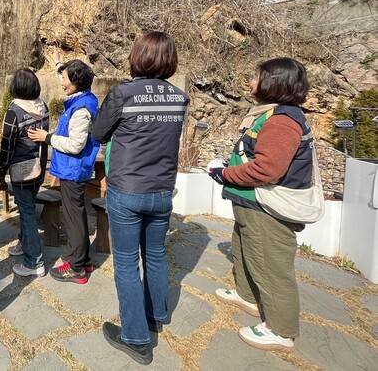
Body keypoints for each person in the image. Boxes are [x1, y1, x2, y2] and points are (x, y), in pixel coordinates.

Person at [91, 31, 188, 365]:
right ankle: (155, 315)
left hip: (127, 191)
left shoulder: (123, 93)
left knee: (126, 263)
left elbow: (98, 132)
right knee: (156, 254)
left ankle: (135, 338)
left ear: (137, 57)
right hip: (162, 191)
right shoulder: (179, 98)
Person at [208, 57, 311, 352]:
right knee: (245, 250)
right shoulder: (269, 114)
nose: (251, 82)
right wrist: (229, 165)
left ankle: (280, 330)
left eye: (257, 77)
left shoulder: (283, 121)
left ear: (274, 83)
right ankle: (247, 295)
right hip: (250, 203)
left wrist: (225, 174)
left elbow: (267, 169)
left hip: (266, 207)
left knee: (270, 265)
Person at [28, 59, 99, 284]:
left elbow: (75, 145)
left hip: (73, 169)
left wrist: (47, 138)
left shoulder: (81, 109)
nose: (62, 82)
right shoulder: (80, 100)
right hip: (72, 169)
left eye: (65, 78)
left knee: (73, 219)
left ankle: (76, 268)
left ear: (76, 82)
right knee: (77, 215)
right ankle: (84, 260)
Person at [0, 68, 50, 278]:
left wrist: (1, 169)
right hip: (39, 167)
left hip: (21, 169)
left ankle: (34, 262)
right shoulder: (43, 107)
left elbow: (7, 146)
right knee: (28, 208)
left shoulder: (14, 111)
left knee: (27, 213)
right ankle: (24, 243)